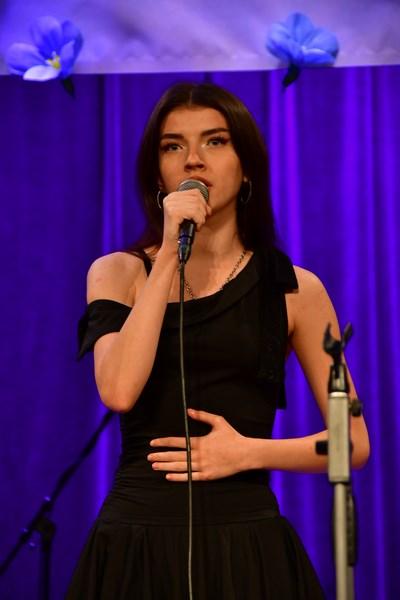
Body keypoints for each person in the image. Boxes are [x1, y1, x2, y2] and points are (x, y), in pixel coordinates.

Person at [67, 82, 370, 599]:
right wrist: (168, 253)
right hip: (138, 542)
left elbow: (353, 443)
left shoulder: (294, 289)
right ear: (157, 173)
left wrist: (247, 453)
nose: (193, 159)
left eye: (215, 141)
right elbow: (118, 390)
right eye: (173, 146)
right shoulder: (117, 272)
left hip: (248, 542)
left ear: (246, 166)